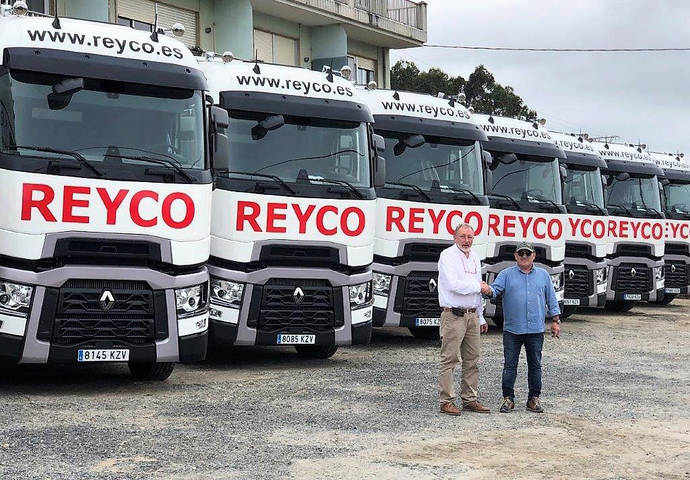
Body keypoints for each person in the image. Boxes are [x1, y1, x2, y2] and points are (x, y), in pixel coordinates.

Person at [481, 241, 561, 413]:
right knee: (510, 365)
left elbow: (551, 299)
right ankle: (508, 399)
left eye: (527, 253)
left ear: (533, 256)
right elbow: (494, 291)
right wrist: (486, 290)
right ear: (516, 256)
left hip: (535, 330)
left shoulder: (543, 275)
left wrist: (555, 320)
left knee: (535, 365)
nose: (524, 257)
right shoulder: (506, 274)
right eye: (521, 254)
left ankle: (534, 398)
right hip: (512, 329)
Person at [437, 223, 490, 416]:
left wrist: (481, 316)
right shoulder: (447, 256)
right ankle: (446, 401)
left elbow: (478, 291)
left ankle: (470, 399)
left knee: (472, 359)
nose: (467, 240)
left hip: (472, 315)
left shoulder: (475, 257)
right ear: (455, 237)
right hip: (453, 314)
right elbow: (453, 285)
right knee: (449, 359)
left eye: (470, 237)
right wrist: (478, 286)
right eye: (463, 236)